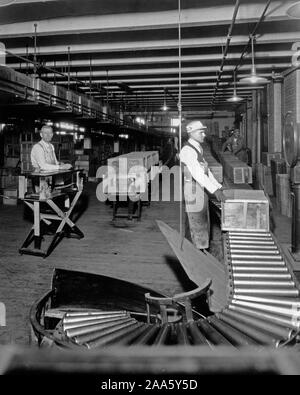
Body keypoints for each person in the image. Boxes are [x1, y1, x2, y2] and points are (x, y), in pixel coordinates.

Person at [180, 120, 226, 250]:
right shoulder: (188, 151)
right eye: (201, 132)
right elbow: (198, 174)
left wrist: (218, 186)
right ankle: (198, 253)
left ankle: (193, 249)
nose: (204, 135)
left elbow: (206, 171)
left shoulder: (197, 148)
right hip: (193, 190)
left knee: (197, 222)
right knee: (198, 224)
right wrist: (215, 191)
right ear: (192, 133)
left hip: (200, 189)